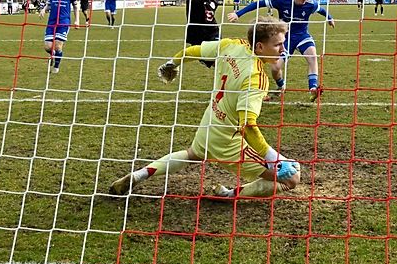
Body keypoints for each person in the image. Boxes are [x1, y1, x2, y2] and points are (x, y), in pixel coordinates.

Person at [109, 16, 301, 199]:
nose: (283, 49)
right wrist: (273, 158)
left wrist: (172, 63)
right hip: (229, 141)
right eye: (278, 45)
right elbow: (248, 126)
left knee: (191, 154)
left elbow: (193, 51)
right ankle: (229, 194)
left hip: (211, 122)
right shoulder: (256, 78)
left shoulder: (232, 45)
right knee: (292, 177)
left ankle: (139, 175)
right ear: (260, 46)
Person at [228, 0, 335, 101]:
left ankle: (313, 88)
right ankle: (281, 85)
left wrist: (330, 18)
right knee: (275, 68)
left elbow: (322, 10)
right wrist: (238, 13)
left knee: (313, 57)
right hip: (284, 38)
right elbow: (259, 3)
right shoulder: (282, 0)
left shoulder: (311, 4)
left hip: (302, 36)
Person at [186, 0, 236, 68]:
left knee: (221, 61)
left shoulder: (213, 0)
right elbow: (200, 0)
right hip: (198, 37)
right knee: (215, 63)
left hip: (213, 33)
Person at [39, 0, 80, 74]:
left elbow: (75, 7)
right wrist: (43, 10)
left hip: (64, 22)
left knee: (58, 45)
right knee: (47, 47)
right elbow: (48, 4)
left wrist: (77, 20)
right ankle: (52, 54)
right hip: (52, 22)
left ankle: (56, 67)